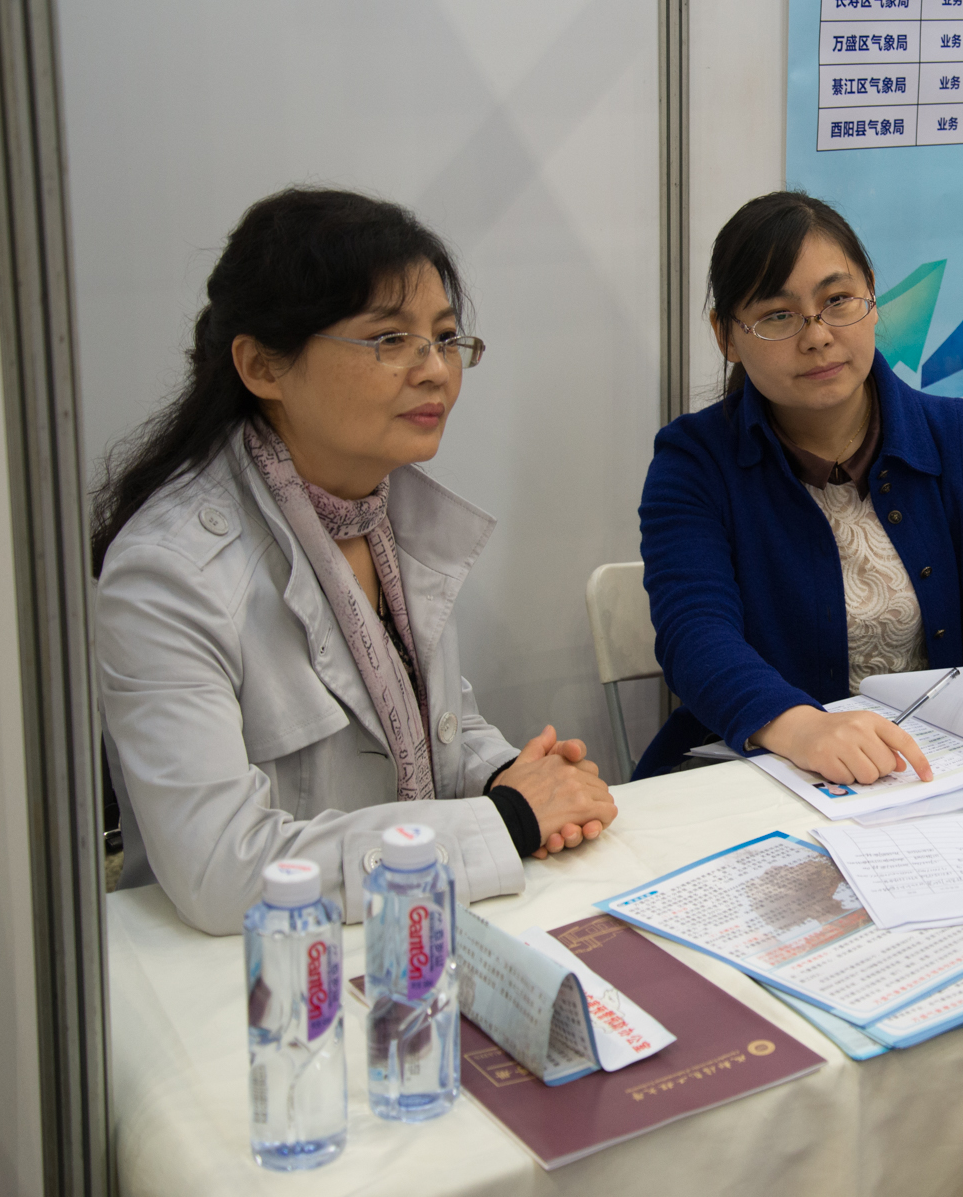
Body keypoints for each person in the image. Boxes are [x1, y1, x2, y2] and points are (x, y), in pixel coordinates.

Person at [94, 188, 616, 935]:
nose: (435, 370)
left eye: (445, 338)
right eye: (390, 340)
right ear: (262, 365)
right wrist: (507, 819)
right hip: (260, 969)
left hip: (402, 932)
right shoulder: (169, 574)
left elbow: (442, 725)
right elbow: (222, 870)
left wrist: (513, 774)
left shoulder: (381, 505)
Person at [635, 191, 963, 780]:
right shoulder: (694, 461)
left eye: (837, 301)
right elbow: (695, 638)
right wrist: (800, 727)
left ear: (873, 299)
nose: (817, 336)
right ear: (726, 336)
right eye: (778, 315)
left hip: (938, 775)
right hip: (769, 773)